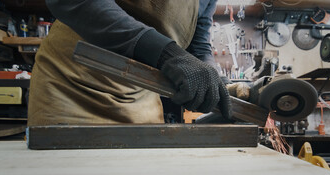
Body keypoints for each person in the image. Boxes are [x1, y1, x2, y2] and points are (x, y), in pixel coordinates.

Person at [27, 0, 232, 126]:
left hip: (140, 99)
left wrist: (212, 76)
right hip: (73, 85)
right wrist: (166, 53)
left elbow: (199, 44)